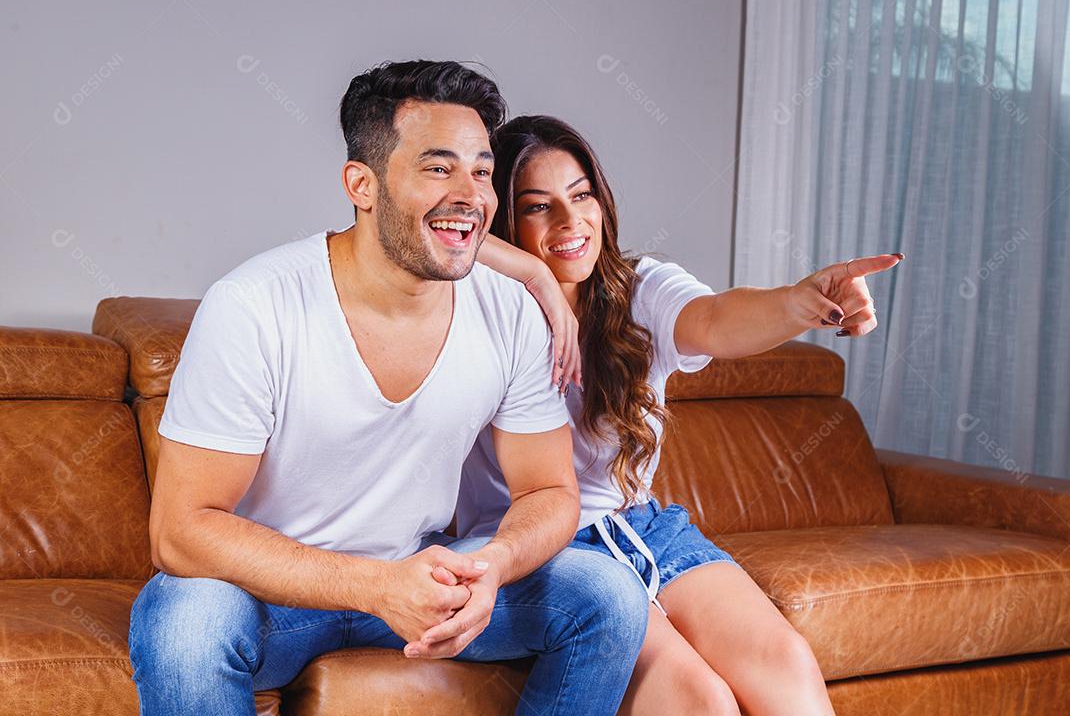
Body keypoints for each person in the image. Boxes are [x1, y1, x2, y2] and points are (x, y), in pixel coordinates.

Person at [127, 63, 649, 716]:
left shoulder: (510, 312)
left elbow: (549, 492)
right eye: (438, 168)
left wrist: (495, 564)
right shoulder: (254, 306)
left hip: (420, 576)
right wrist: (375, 587)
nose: (471, 196)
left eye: (482, 172)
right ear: (362, 185)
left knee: (606, 594)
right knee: (185, 620)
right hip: (269, 599)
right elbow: (180, 531)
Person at [460, 114, 904, 715]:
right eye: (538, 206)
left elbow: (718, 319)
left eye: (582, 195)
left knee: (787, 663)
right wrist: (533, 274)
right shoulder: (469, 307)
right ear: (503, 220)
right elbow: (405, 219)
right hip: (546, 550)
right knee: (699, 700)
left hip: (644, 530)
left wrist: (804, 302)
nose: (571, 222)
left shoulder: (640, 289)